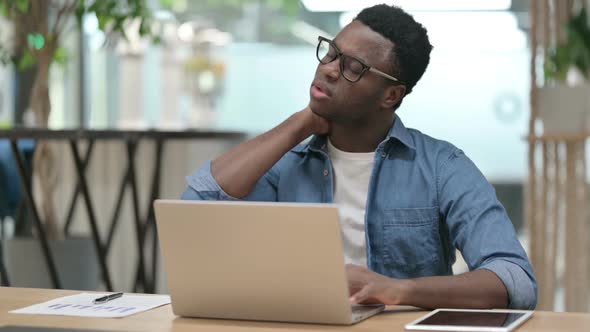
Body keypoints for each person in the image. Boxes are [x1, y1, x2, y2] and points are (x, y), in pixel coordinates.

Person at [181, 4, 537, 310]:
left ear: (391, 95)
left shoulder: (442, 167)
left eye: (353, 67)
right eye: (331, 52)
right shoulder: (287, 162)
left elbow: (514, 279)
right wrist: (300, 123)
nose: (329, 69)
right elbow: (196, 207)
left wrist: (400, 291)